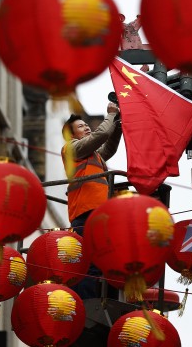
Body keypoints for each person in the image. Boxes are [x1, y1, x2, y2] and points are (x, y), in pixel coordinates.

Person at [61, 102, 122, 299]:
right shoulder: (71, 149)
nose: (86, 127)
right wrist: (111, 115)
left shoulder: (91, 154)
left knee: (100, 261)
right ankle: (86, 302)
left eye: (86, 124)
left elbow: (109, 146)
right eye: (81, 126)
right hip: (85, 212)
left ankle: (98, 299)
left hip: (98, 212)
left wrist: (118, 122)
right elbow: (101, 136)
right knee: (89, 263)